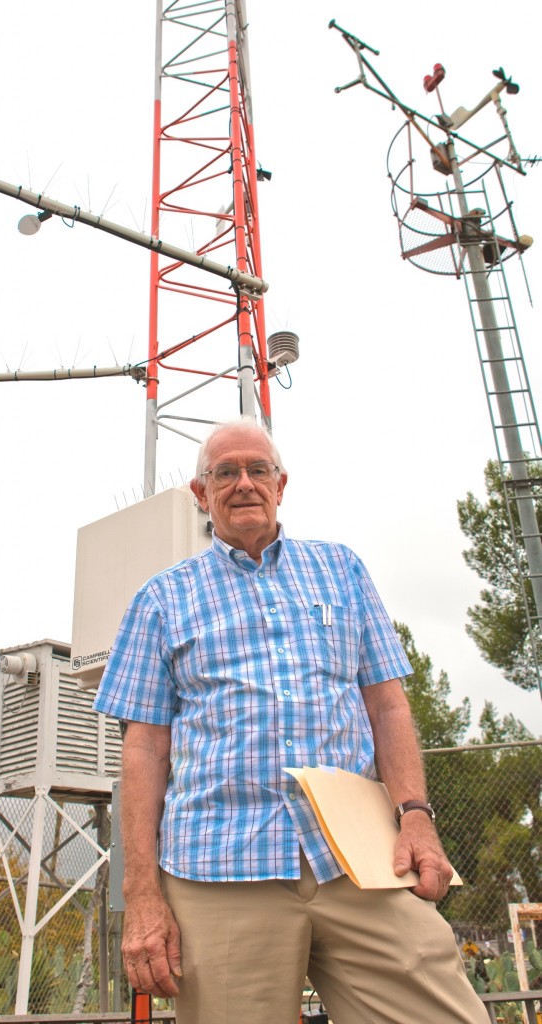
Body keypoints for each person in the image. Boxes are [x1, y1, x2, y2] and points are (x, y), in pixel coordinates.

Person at [93, 418, 489, 1024]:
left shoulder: (343, 571)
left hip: (359, 861)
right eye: (224, 472)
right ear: (201, 494)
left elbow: (388, 705)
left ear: (282, 485)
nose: (243, 483)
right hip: (220, 869)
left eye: (258, 470)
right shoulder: (160, 599)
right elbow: (144, 750)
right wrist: (142, 895)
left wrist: (415, 817)